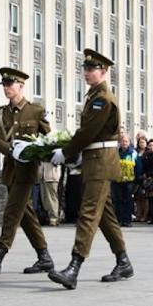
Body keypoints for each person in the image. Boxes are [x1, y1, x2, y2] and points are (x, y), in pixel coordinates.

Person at [48, 49, 133, 290]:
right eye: (85, 69)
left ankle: (74, 267)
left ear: (104, 72)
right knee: (104, 216)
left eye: (91, 69)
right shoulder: (94, 95)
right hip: (95, 158)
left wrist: (66, 152)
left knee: (87, 212)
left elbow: (87, 132)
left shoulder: (102, 98)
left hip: (101, 161)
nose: (86, 72)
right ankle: (123, 261)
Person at [0, 67, 54, 279]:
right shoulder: (0, 113)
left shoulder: (36, 111)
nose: (7, 88)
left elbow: (47, 139)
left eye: (10, 84)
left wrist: (34, 151)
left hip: (27, 171)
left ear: (21, 85)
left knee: (11, 212)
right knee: (25, 214)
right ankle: (44, 257)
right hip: (10, 169)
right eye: (4, 85)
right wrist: (12, 149)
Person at [111, 134, 137, 227]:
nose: (124, 143)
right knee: (117, 200)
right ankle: (119, 219)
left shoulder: (133, 153)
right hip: (116, 180)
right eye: (122, 141)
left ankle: (127, 220)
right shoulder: (115, 152)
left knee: (128, 200)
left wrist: (136, 179)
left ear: (129, 142)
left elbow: (137, 166)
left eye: (126, 141)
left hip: (129, 181)